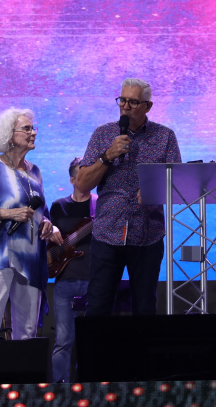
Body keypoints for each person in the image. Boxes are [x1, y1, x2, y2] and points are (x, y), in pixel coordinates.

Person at [75, 78, 182, 317]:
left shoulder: (164, 136)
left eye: (133, 102)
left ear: (148, 106)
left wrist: (156, 191)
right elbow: (82, 184)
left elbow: (177, 184)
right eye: (122, 100)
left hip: (147, 234)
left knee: (145, 308)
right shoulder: (103, 134)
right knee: (98, 308)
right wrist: (107, 156)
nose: (125, 106)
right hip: (107, 233)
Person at [0, 107, 60, 340]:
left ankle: (22, 367)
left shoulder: (35, 172)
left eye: (33, 128)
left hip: (30, 257)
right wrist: (8, 213)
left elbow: (41, 212)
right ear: (9, 135)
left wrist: (47, 223)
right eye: (27, 128)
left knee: (27, 331)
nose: (33, 133)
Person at [48, 158, 95, 382]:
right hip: (65, 281)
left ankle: (91, 385)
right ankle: (59, 389)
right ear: (72, 180)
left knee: (92, 341)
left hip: (93, 282)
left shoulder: (101, 205)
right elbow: (48, 241)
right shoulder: (59, 206)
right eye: (81, 174)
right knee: (63, 341)